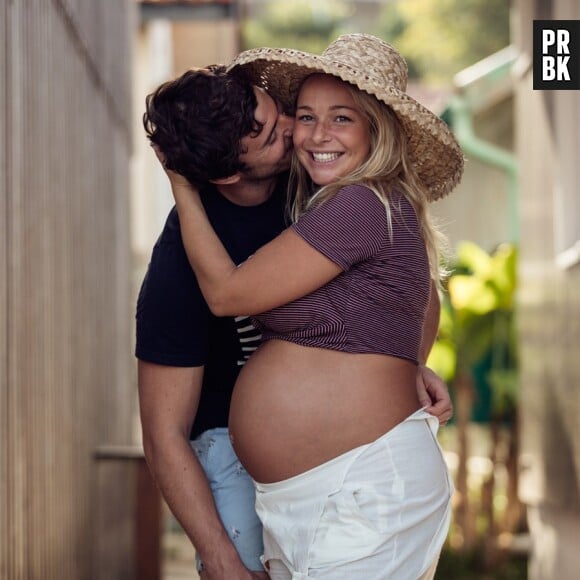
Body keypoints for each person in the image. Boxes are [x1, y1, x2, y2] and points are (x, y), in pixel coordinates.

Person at [138, 53, 455, 579]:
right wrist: (219, 557)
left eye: (287, 111)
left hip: (359, 486)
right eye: (297, 118)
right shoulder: (185, 256)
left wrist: (398, 369)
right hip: (282, 492)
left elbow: (415, 290)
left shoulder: (345, 196)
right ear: (229, 173)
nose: (299, 131)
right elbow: (161, 430)